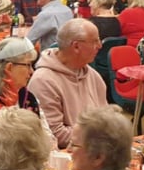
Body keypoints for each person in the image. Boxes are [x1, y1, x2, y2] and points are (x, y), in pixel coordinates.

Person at [28, 19, 108, 149]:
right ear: (76, 46)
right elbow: (54, 135)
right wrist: (99, 136)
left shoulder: (93, 75)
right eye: (94, 41)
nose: (100, 46)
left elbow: (107, 119)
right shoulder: (43, 80)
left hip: (95, 149)